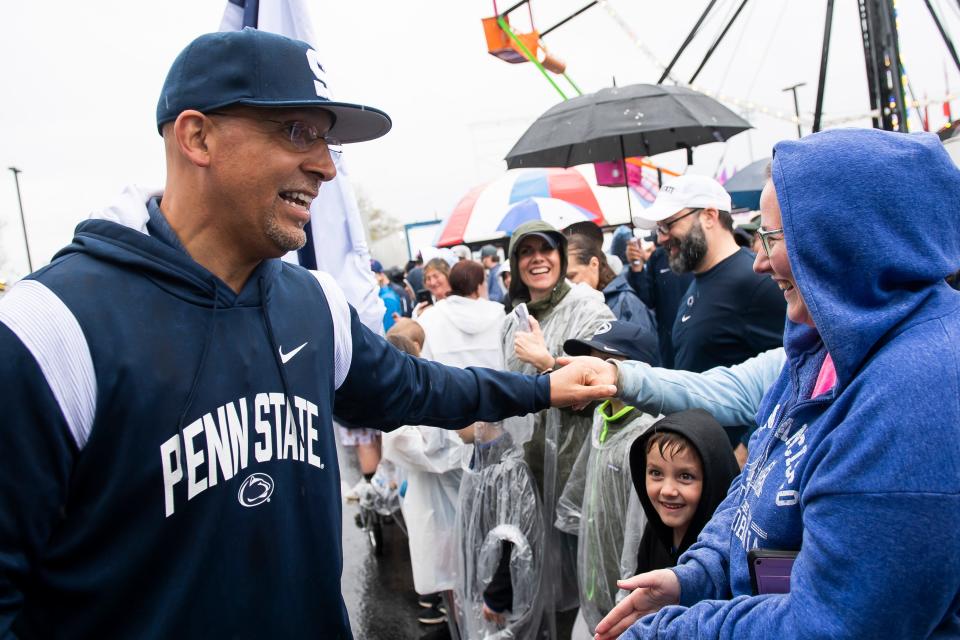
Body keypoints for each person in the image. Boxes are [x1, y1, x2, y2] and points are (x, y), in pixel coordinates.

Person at [0, 29, 618, 640]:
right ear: (197, 137)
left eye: (327, 141)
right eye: (297, 132)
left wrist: (540, 389)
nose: (325, 167)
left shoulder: (313, 303)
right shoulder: (51, 330)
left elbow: (418, 389)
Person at [594, 128, 960, 639]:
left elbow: (829, 625)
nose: (760, 261)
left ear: (845, 238)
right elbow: (757, 482)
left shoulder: (916, 395)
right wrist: (699, 575)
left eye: (773, 238)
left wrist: (667, 631)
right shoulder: (822, 343)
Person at [501, 220, 616, 638]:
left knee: (594, 593)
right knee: (545, 594)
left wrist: (546, 361)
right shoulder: (512, 320)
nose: (537, 259)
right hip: (533, 479)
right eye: (526, 251)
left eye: (545, 249)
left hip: (581, 479)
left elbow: (606, 389)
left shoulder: (589, 307)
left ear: (560, 256)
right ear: (515, 263)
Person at [633, 174, 786, 451]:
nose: (660, 237)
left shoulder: (757, 281)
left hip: (737, 466)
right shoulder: (696, 282)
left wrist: (748, 443)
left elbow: (795, 369)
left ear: (709, 216)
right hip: (701, 461)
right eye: (658, 228)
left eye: (668, 224)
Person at [554, 321, 661, 632]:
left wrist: (625, 593)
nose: (592, 368)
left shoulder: (649, 433)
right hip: (594, 580)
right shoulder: (603, 415)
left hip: (627, 594)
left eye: (605, 361)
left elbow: (640, 533)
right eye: (591, 358)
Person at [455, 420, 545, 640]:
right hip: (481, 588)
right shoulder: (478, 460)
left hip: (499, 598)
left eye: (461, 417)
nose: (454, 426)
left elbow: (517, 543)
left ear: (482, 422)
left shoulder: (510, 469)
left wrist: (496, 596)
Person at [629, 410, 739, 576]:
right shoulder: (655, 531)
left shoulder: (729, 555)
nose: (667, 491)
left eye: (685, 476)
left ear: (714, 480)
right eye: (656, 473)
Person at [566, 233, 657, 338]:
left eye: (571, 276)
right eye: (562, 280)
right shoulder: (573, 305)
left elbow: (644, 350)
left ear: (594, 264)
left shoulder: (626, 303)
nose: (568, 285)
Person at [624, 235, 692, 369]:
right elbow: (647, 299)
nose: (660, 238)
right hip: (670, 345)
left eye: (666, 227)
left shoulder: (702, 252)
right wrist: (636, 266)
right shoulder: (659, 256)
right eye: (660, 228)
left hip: (703, 341)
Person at [371, 258, 402, 331]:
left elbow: (389, 332)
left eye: (372, 274)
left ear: (381, 276)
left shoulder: (387, 299)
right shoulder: (379, 295)